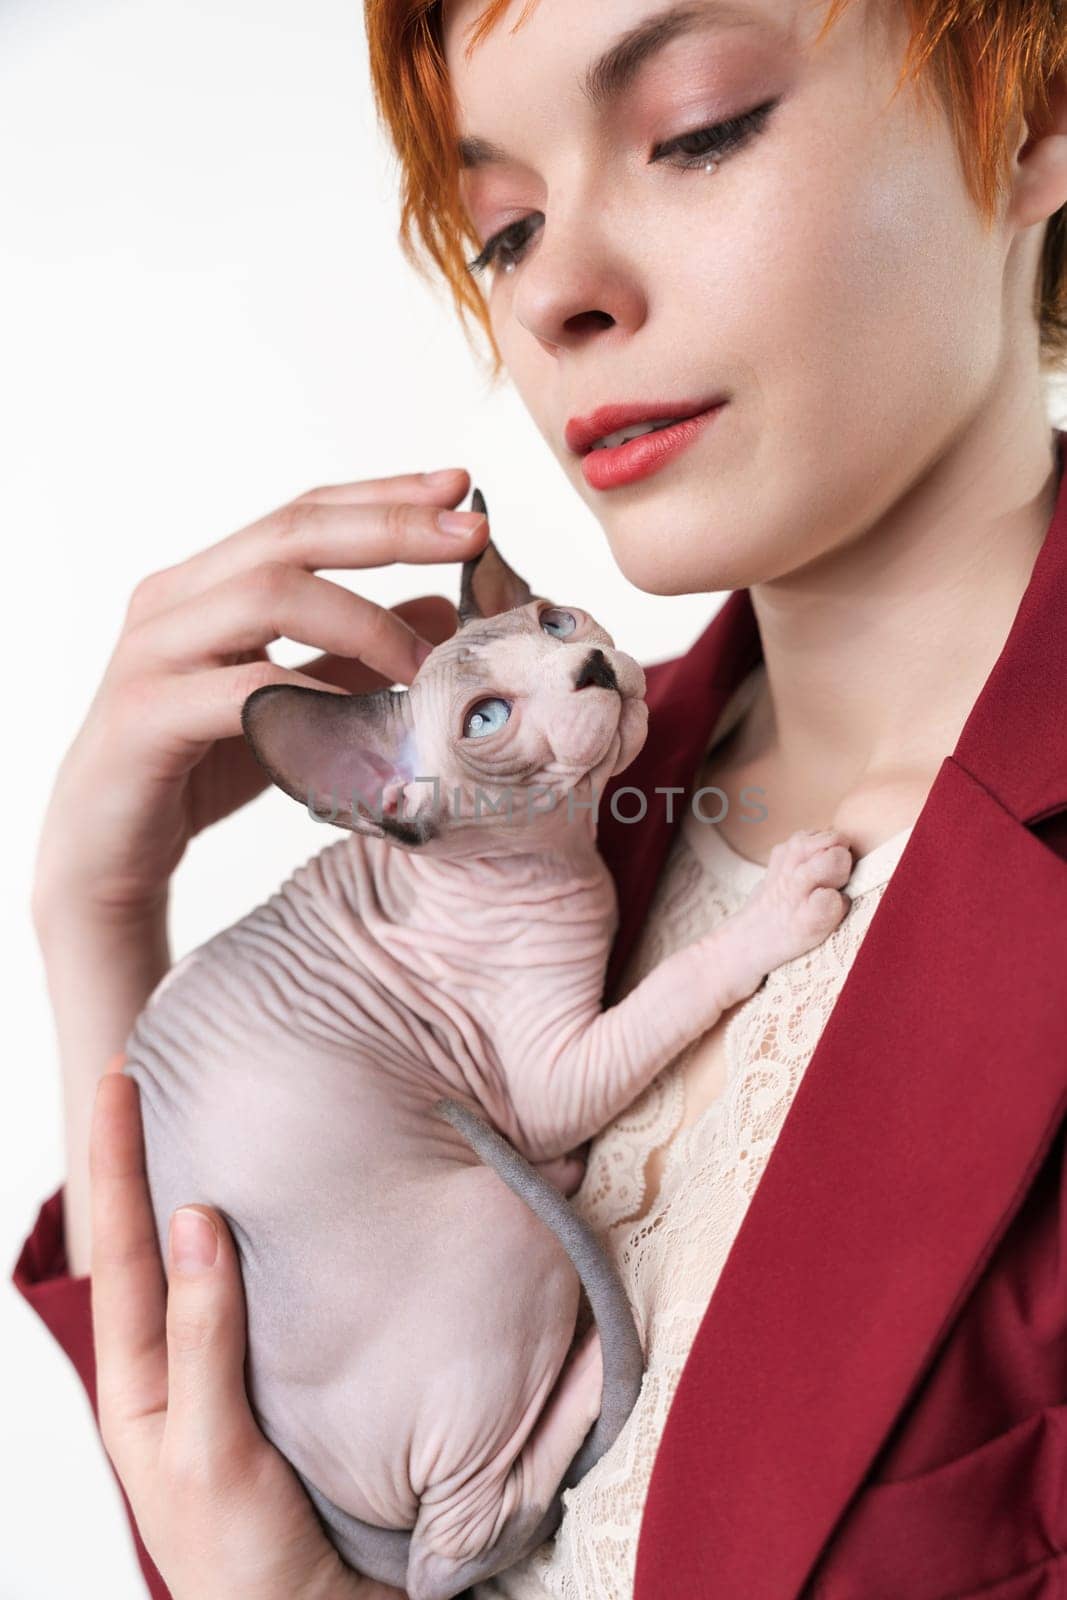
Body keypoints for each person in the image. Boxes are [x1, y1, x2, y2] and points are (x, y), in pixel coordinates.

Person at [12, 0, 1067, 1596]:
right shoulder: (541, 840)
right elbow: (258, 1499)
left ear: (1036, 113)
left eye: (700, 129)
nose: (559, 291)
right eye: (503, 228)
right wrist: (96, 921)